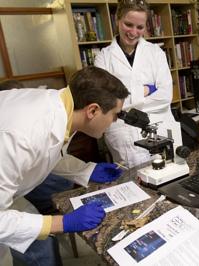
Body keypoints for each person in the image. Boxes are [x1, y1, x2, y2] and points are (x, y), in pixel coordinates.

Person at [0, 66, 130, 265]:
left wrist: (87, 169)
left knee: (41, 247)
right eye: (114, 114)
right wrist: (63, 222)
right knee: (38, 254)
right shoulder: (21, 136)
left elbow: (47, 151)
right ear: (93, 110)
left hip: (8, 187)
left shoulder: (61, 105)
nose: (114, 121)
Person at [94, 0, 182, 168]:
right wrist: (146, 90)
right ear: (117, 20)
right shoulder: (103, 57)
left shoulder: (156, 53)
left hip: (161, 128)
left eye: (140, 27)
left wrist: (124, 103)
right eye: (128, 24)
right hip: (123, 136)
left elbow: (165, 96)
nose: (134, 32)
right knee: (132, 183)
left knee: (170, 175)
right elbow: (105, 101)